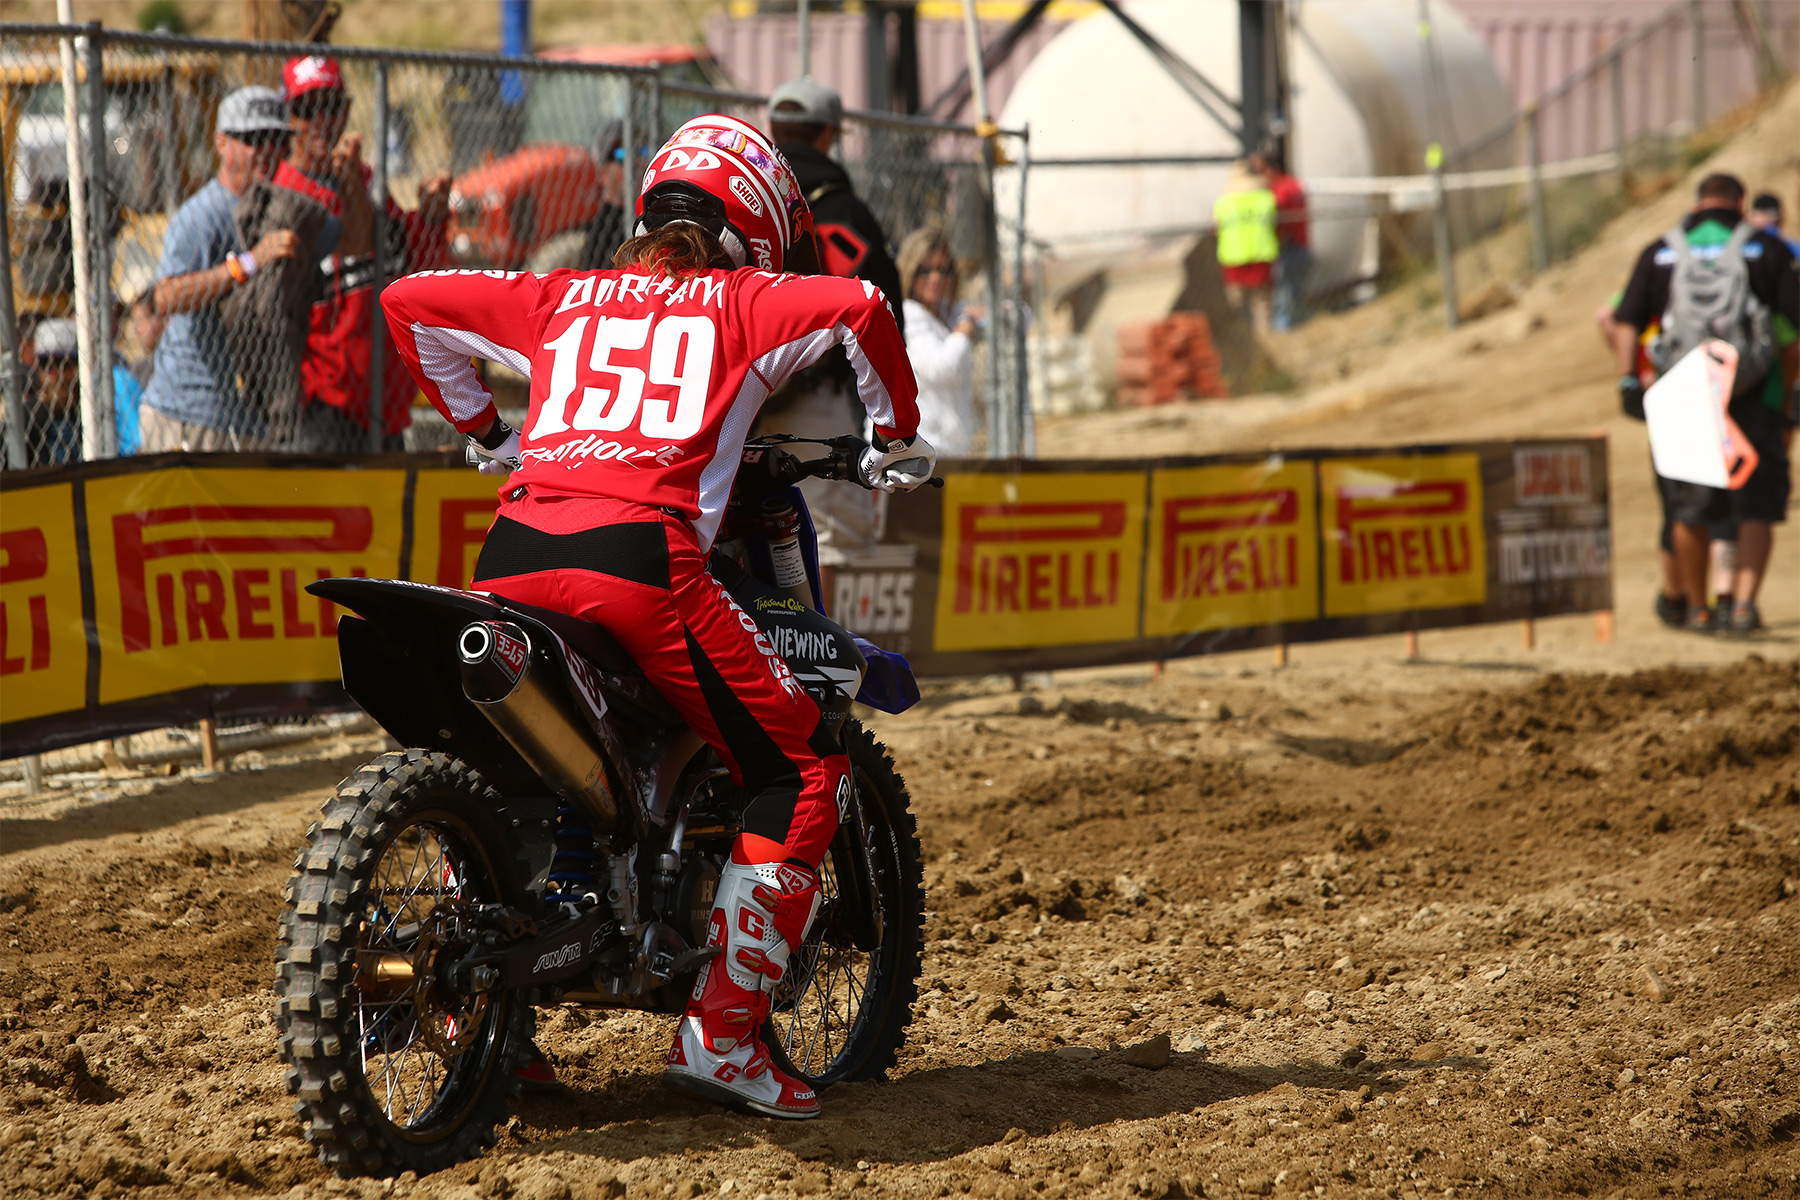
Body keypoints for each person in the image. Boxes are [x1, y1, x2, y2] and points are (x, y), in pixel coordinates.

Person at [381, 114, 933, 1120]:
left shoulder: (563, 295)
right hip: (641, 565)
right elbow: (860, 305)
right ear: (756, 226)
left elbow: (407, 301)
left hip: (512, 559)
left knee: (514, 775)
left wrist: (491, 432)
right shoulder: (741, 300)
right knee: (803, 769)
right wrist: (895, 433)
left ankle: (491, 1031)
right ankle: (724, 1037)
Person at [1612, 172, 1799, 635]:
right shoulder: (1766, 248)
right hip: (1754, 393)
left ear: (1697, 203)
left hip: (1685, 396)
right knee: (1755, 506)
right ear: (1740, 203)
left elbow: (1623, 320)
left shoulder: (1663, 250)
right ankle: (1743, 606)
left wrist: (1628, 380)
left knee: (1688, 508)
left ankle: (1696, 609)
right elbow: (1795, 332)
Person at [274, 55, 453, 452]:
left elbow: (412, 267)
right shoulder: (284, 194)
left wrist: (430, 218)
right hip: (325, 410)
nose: (322, 120)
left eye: (332, 106)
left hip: (385, 403)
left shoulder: (368, 180)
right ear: (289, 119)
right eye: (307, 110)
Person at [760, 78, 907, 561]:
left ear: (772, 129)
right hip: (813, 405)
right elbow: (884, 316)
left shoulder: (741, 207)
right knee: (831, 547)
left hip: (725, 403)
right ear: (828, 134)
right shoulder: (845, 210)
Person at [139, 86, 301, 452]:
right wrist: (248, 263)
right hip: (188, 414)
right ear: (222, 142)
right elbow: (164, 297)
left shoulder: (275, 210)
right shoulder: (202, 215)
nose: (267, 151)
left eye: (277, 140)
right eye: (253, 139)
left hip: (246, 418)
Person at [896, 227, 983, 456]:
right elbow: (942, 368)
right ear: (910, 272)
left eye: (943, 270)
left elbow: (1016, 317)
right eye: (925, 270)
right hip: (918, 446)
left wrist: (978, 317)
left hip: (947, 447)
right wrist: (963, 332)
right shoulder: (907, 314)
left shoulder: (947, 313)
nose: (935, 278)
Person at [1214, 160, 1278, 334]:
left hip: (1233, 257)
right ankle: (1265, 340)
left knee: (1237, 307)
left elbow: (1216, 229)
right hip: (1261, 255)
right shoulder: (1265, 198)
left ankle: (1243, 340)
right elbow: (1276, 223)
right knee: (1263, 305)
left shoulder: (1223, 202)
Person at [1253, 150, 1311, 331]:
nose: (1260, 176)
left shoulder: (1281, 190)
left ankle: (1284, 330)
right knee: (1292, 294)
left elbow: (1277, 214)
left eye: (1262, 170)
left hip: (1290, 247)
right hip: (1298, 245)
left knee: (1284, 296)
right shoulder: (1293, 184)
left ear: (1274, 169)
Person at [20, 318, 81, 465]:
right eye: (46, 363)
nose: (54, 373)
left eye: (63, 363)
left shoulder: (91, 412)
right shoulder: (30, 417)